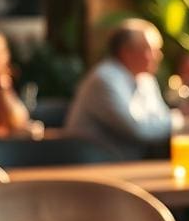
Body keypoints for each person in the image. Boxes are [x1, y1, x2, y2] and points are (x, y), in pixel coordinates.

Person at [65, 19, 170, 159]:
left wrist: (175, 120)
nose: (158, 56)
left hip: (127, 164)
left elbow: (161, 118)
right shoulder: (105, 79)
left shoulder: (145, 79)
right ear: (126, 52)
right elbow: (138, 130)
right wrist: (182, 120)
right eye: (151, 50)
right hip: (95, 167)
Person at [0, 32, 31, 137]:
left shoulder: (4, 81)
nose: (1, 58)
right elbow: (14, 118)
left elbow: (21, 118)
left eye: (2, 52)